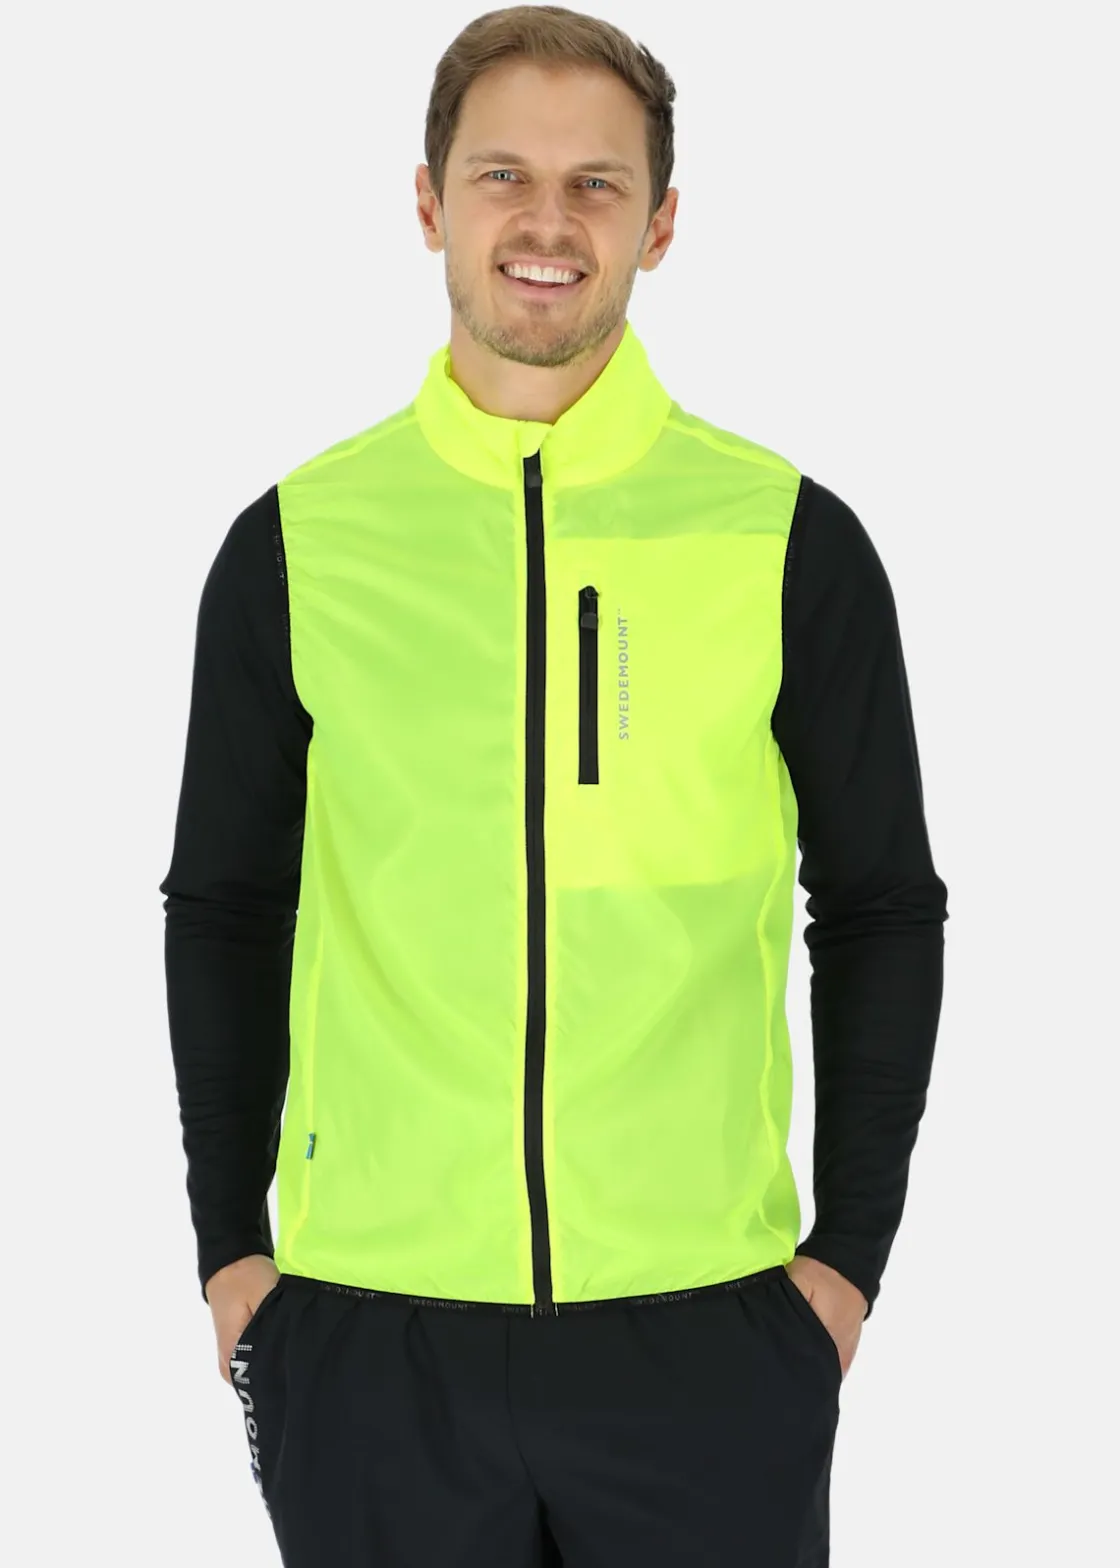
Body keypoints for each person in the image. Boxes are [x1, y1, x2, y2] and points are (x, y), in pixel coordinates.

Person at [158, 6, 948, 1564]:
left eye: (598, 183)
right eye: (503, 173)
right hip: (372, 1336)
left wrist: (844, 1265)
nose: (546, 220)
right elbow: (227, 908)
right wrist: (233, 1255)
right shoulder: (298, 547)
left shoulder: (787, 542)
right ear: (429, 203)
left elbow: (880, 908)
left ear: (661, 224)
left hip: (708, 1335)